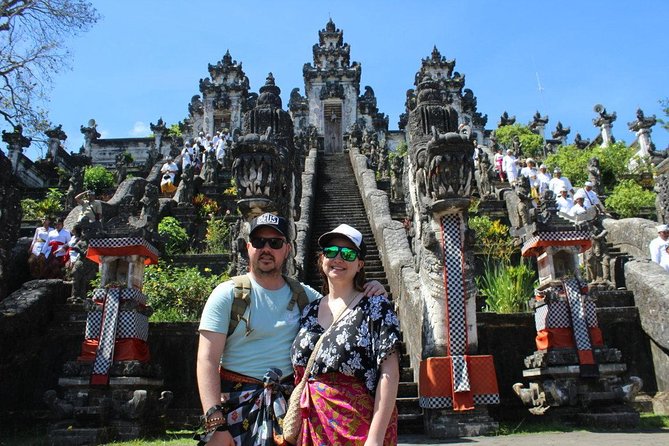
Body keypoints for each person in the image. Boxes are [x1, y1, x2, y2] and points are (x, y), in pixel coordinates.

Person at [196, 213, 386, 446]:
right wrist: (216, 422)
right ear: (248, 247)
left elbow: (343, 303)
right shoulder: (227, 295)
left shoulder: (306, 298)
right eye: (259, 242)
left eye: (275, 243)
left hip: (288, 410)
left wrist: (370, 289)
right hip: (235, 406)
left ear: (287, 249)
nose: (266, 249)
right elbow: (206, 359)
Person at [291, 224, 400, 445]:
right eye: (331, 252)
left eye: (348, 254)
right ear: (322, 260)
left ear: (359, 264)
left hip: (360, 424)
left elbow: (390, 374)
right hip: (312, 424)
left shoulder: (376, 306)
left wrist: (375, 438)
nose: (338, 258)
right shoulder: (308, 310)